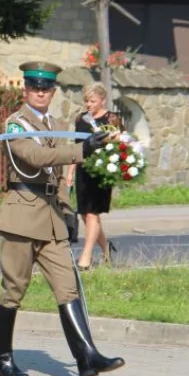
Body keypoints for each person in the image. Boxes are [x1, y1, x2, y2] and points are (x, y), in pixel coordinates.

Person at [0, 61, 124, 376]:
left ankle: (86, 356)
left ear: (53, 92)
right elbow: (36, 159)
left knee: (68, 286)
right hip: (21, 214)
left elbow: (56, 177)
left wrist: (66, 210)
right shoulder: (16, 124)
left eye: (46, 87)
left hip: (50, 216)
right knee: (13, 290)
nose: (40, 92)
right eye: (34, 86)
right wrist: (80, 149)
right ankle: (2, 360)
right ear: (25, 89)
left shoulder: (53, 122)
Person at [64, 83, 118, 270]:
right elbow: (77, 147)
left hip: (102, 172)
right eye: (86, 101)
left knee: (93, 213)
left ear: (102, 100)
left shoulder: (112, 118)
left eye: (92, 101)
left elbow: (121, 145)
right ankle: (106, 249)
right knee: (84, 215)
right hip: (83, 171)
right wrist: (70, 173)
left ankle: (85, 257)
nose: (89, 104)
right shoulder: (81, 119)